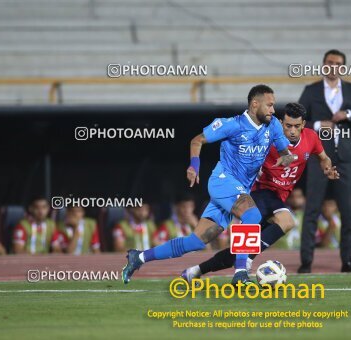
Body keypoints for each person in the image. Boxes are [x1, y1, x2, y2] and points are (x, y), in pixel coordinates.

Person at [122, 85, 296, 285]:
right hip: (223, 182)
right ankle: (240, 273)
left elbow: (285, 151)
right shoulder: (232, 124)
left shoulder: (272, 124)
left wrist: (286, 158)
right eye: (270, 105)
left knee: (195, 241)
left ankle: (139, 257)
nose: (273, 110)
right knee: (252, 215)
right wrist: (193, 166)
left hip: (239, 190)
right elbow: (197, 141)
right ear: (255, 104)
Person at [180, 102, 338, 282]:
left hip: (278, 197)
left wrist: (328, 169)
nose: (292, 131)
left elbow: (324, 158)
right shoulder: (267, 137)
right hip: (258, 192)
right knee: (286, 221)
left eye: (296, 126)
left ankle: (195, 271)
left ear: (303, 125)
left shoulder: (311, 138)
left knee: (238, 251)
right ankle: (247, 260)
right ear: (280, 122)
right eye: (287, 126)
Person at [298, 49, 351, 273]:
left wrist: (349, 115)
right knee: (312, 208)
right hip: (319, 157)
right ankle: (306, 261)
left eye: (338, 63)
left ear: (343, 67)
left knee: (347, 209)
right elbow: (294, 119)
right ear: (323, 65)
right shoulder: (311, 90)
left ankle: (348, 260)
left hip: (345, 158)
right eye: (330, 62)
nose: (333, 66)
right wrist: (316, 125)